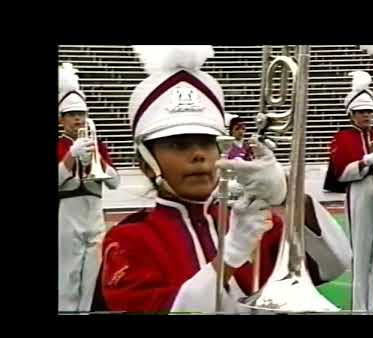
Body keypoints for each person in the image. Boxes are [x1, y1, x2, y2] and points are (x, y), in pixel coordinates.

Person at [99, 46, 351, 314]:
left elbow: (334, 263)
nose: (198, 155)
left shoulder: (251, 220)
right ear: (147, 164)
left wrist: (288, 194)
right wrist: (230, 256)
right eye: (179, 145)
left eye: (207, 143)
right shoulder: (128, 240)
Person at [323, 71, 373, 313]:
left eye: (370, 111)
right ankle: (359, 308)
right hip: (359, 192)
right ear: (352, 114)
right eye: (362, 112)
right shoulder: (343, 137)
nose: (368, 116)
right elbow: (340, 173)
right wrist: (366, 162)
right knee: (361, 251)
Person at [58, 63, 120, 312]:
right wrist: (71, 156)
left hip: (94, 211)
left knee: (92, 274)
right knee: (67, 272)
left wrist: (98, 159)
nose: (78, 119)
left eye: (81, 114)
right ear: (61, 119)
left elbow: (115, 182)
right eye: (72, 114)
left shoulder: (98, 144)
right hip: (68, 213)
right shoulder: (60, 145)